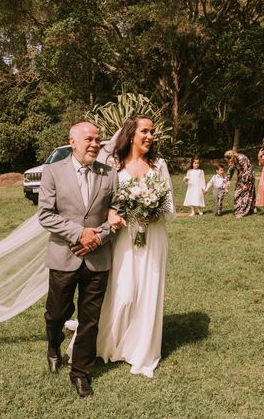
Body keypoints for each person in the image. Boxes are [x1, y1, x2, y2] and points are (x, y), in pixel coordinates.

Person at [66, 115, 175, 378]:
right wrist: (114, 215)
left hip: (153, 237)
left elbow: (170, 206)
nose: (149, 136)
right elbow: (101, 203)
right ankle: (107, 344)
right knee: (122, 291)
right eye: (144, 131)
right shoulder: (113, 164)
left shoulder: (159, 165)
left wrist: (151, 212)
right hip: (124, 238)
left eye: (152, 132)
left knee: (147, 289)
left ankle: (141, 350)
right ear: (131, 133)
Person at [37, 121, 120, 398]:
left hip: (98, 259)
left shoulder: (109, 174)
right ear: (72, 142)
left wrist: (97, 238)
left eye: (98, 139)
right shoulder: (52, 171)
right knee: (57, 312)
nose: (96, 144)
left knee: (90, 319)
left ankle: (80, 372)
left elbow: (116, 214)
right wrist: (79, 234)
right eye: (90, 139)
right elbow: (46, 214)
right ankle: (53, 342)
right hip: (64, 255)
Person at [224, 150, 256, 218]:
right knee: (237, 193)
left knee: (246, 194)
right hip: (241, 176)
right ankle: (239, 209)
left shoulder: (242, 158)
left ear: (231, 157)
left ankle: (242, 212)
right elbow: (230, 169)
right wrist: (228, 180)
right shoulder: (233, 160)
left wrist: (245, 183)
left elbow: (246, 171)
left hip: (248, 177)